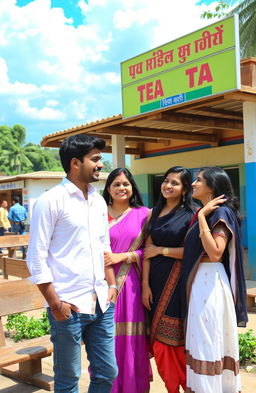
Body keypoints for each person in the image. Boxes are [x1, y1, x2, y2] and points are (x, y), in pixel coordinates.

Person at [26, 134, 118, 393]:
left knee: (107, 372)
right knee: (68, 379)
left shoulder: (99, 200)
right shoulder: (51, 200)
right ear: (75, 163)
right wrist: (56, 305)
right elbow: (36, 258)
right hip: (69, 306)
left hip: (101, 302)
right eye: (96, 159)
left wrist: (112, 286)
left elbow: (104, 247)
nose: (101, 164)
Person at [180, 166, 248, 393]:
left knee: (208, 340)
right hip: (204, 281)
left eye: (198, 180)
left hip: (211, 283)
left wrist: (200, 217)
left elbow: (216, 251)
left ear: (212, 186)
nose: (193, 184)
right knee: (205, 340)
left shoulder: (219, 213)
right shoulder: (211, 212)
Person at [142, 166, 194, 393]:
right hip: (154, 282)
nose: (168, 185)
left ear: (184, 190)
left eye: (175, 183)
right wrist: (144, 286)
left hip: (177, 283)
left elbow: (193, 252)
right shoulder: (154, 212)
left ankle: (187, 386)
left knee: (172, 344)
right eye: (166, 180)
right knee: (158, 343)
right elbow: (146, 250)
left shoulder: (192, 214)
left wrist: (161, 251)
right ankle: (172, 388)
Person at [102, 168, 152, 393]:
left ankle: (133, 386)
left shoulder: (144, 214)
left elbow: (149, 250)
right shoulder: (98, 214)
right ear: (108, 189)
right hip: (103, 285)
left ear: (132, 187)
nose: (122, 188)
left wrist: (124, 256)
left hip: (132, 285)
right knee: (106, 341)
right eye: (116, 184)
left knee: (132, 341)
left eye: (126, 184)